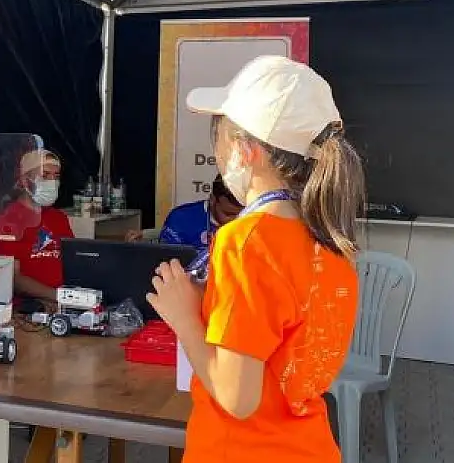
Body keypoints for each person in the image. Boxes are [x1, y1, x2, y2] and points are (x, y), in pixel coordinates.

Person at [145, 55, 366, 462]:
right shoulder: (332, 240)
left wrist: (186, 318)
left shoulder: (245, 242)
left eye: (220, 134)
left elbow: (236, 398)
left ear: (245, 150)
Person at [0, 148, 75, 304]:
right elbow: (13, 278)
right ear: (24, 180)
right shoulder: (8, 222)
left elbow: (74, 260)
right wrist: (59, 297)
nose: (52, 182)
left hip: (64, 303)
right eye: (45, 175)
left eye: (56, 177)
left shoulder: (58, 218)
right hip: (30, 309)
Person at [127, 173, 244, 276]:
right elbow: (166, 266)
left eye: (242, 213)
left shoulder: (250, 219)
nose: (236, 220)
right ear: (212, 200)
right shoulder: (181, 219)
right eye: (228, 214)